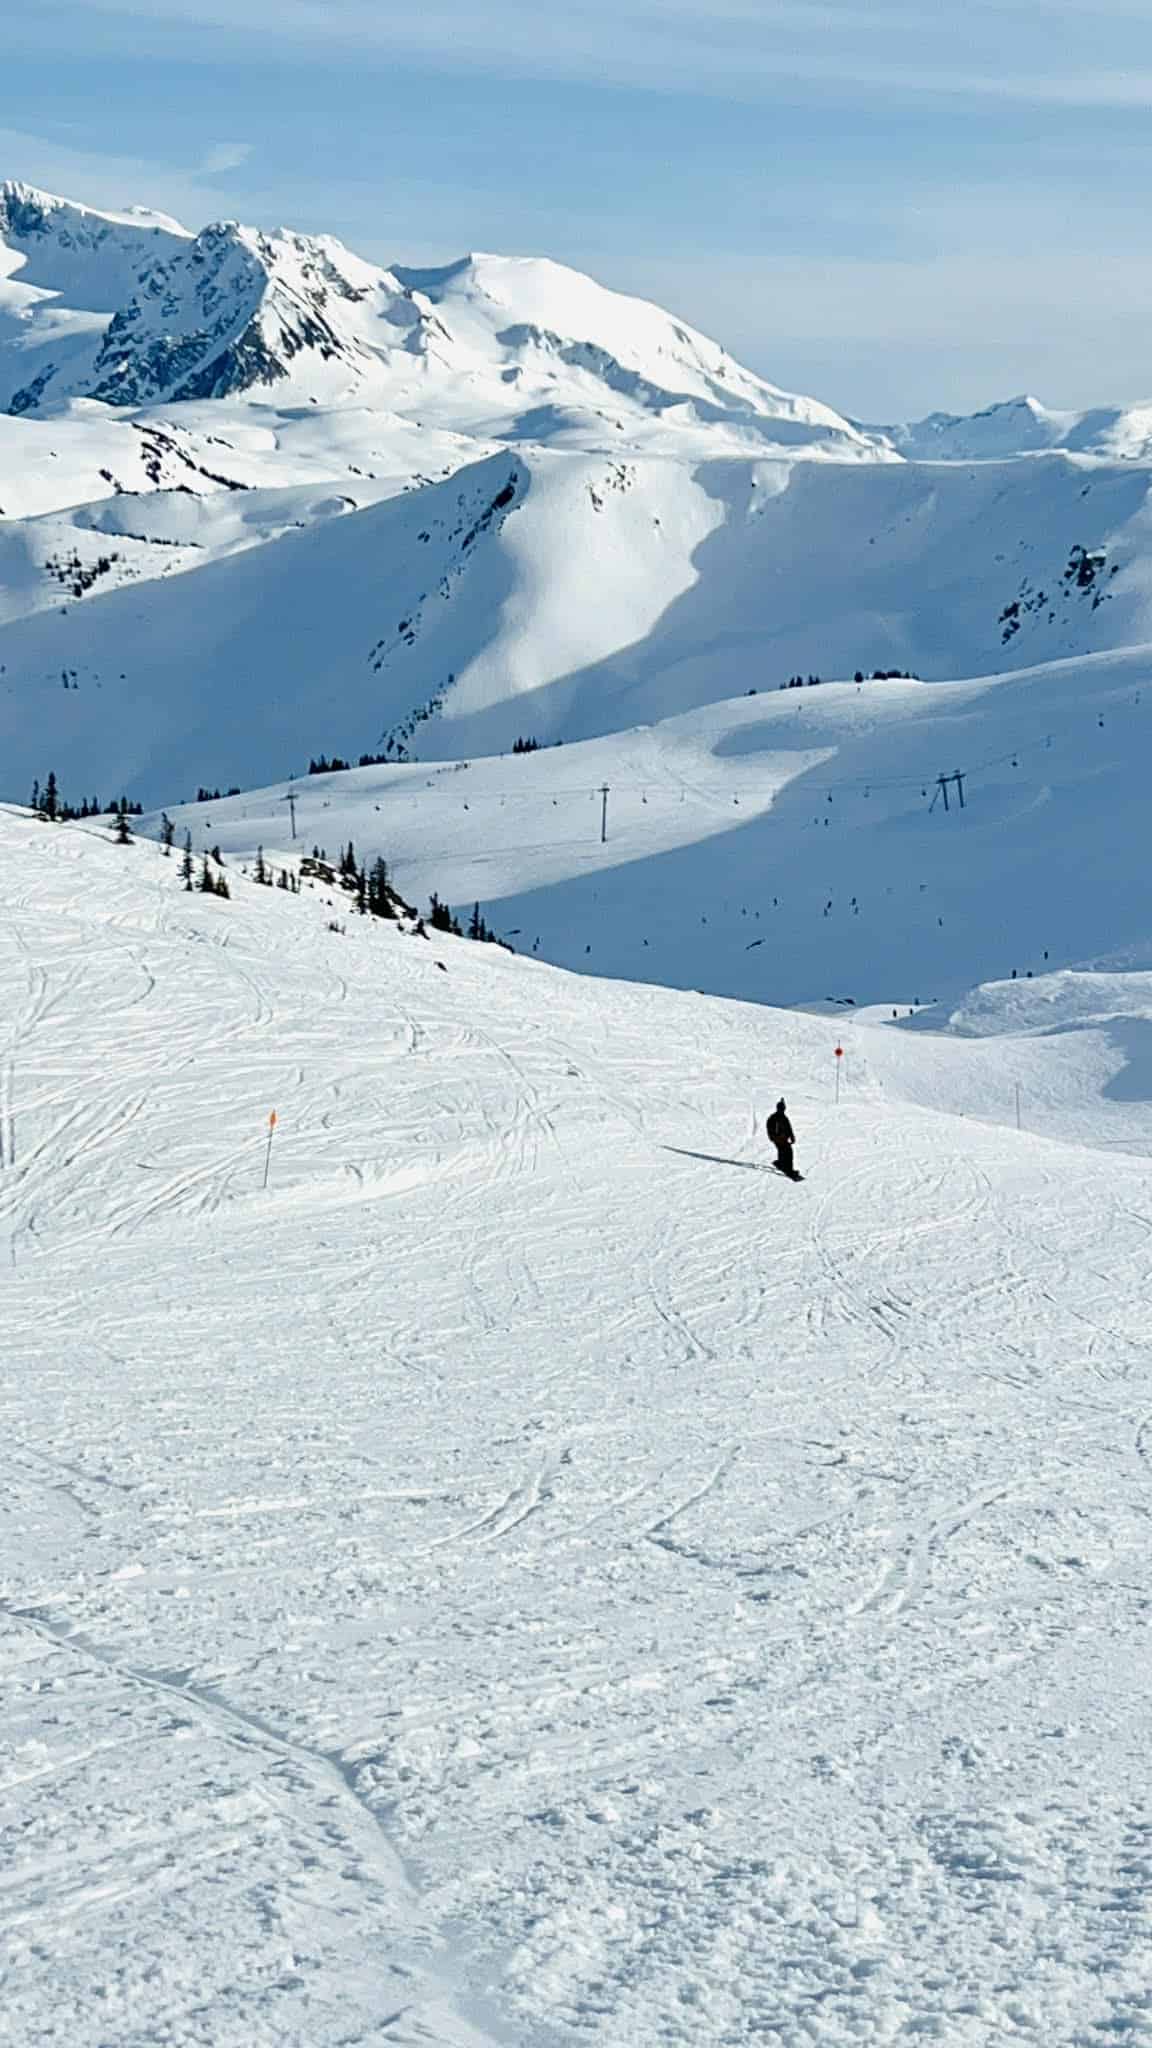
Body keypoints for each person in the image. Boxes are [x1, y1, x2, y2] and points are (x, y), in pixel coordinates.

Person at [766, 1098, 796, 1178]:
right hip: (778, 1140)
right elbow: (770, 1130)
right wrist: (776, 1139)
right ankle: (789, 1170)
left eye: (783, 1109)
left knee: (783, 1152)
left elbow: (789, 1128)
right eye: (781, 1109)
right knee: (787, 1152)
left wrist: (792, 1136)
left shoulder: (784, 1117)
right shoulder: (773, 1118)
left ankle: (781, 1163)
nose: (783, 1110)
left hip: (783, 1139)